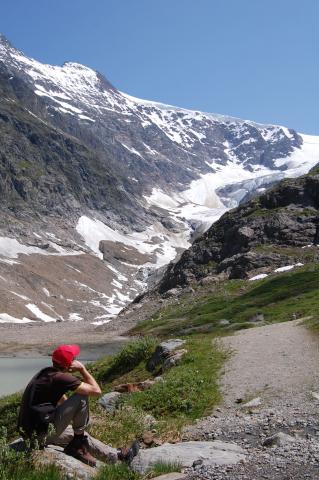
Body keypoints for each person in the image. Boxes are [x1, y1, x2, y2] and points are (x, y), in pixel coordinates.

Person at [18, 344, 139, 467]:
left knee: (78, 434)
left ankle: (116, 456)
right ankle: (77, 446)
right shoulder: (61, 378)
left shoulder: (47, 373)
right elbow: (96, 391)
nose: (76, 360)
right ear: (68, 365)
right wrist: (82, 369)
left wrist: (73, 416)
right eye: (74, 359)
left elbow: (59, 398)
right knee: (81, 397)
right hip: (40, 436)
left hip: (30, 435)